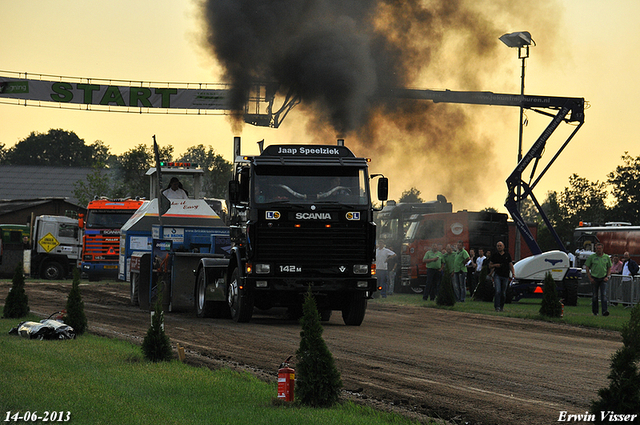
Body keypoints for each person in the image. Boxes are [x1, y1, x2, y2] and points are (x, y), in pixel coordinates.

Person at [584, 243, 612, 316]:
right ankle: (595, 311)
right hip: (594, 278)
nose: (598, 250)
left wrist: (607, 276)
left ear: (602, 249)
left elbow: (609, 267)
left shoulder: (606, 257)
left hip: (603, 278)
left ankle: (604, 311)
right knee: (595, 296)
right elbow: (587, 267)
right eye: (597, 249)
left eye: (600, 248)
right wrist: (590, 278)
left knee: (604, 295)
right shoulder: (592, 257)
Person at [489, 241, 514, 312]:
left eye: (500, 246)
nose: (499, 247)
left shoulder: (507, 255)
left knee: (503, 293)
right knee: (498, 291)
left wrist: (513, 273)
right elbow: (490, 265)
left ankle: (501, 306)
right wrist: (495, 265)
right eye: (498, 246)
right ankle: (497, 307)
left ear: (503, 247)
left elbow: (510, 265)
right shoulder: (495, 255)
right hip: (497, 275)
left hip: (505, 276)